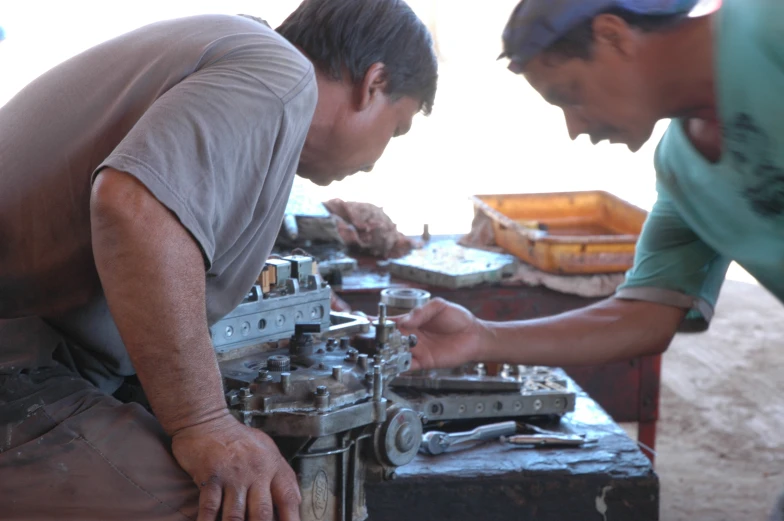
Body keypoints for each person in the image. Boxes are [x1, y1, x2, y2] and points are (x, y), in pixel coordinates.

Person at [0, 0, 437, 520]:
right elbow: (132, 205)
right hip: (17, 366)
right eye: (397, 127)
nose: (377, 159)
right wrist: (203, 421)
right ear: (373, 82)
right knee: (256, 510)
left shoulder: (236, 53)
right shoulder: (279, 76)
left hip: (38, 351)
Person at [398, 0, 783, 516]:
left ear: (614, 36)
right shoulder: (684, 172)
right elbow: (643, 315)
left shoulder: (767, 24)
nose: (574, 128)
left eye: (569, 95)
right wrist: (483, 338)